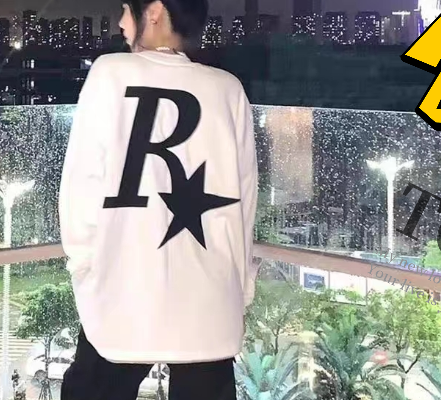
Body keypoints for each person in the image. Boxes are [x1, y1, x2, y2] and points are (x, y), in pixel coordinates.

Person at [57, 0, 259, 399]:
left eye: (126, 10)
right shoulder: (228, 88)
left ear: (154, 11)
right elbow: (244, 200)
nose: (121, 22)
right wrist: (241, 291)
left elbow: (83, 184)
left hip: (124, 289)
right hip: (210, 299)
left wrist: (84, 269)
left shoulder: (110, 72)